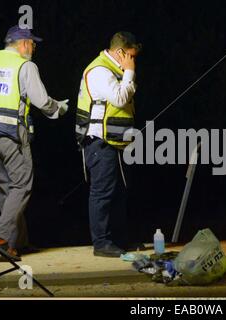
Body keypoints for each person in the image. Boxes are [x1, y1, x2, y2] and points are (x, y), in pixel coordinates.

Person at [0, 26, 69, 261]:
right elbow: (41, 100)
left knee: (7, 187)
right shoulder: (25, 65)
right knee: (22, 185)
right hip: (11, 134)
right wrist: (58, 109)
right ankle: (0, 236)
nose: (34, 48)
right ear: (22, 44)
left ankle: (15, 243)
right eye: (32, 43)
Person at [75, 32, 141, 257]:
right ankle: (101, 243)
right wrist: (130, 73)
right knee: (102, 193)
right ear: (121, 52)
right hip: (100, 142)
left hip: (117, 141)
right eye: (131, 56)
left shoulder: (114, 70)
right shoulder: (100, 71)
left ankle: (119, 239)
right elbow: (121, 98)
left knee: (119, 192)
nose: (133, 61)